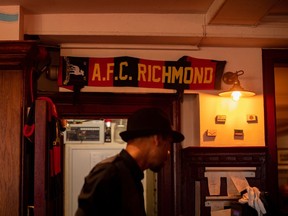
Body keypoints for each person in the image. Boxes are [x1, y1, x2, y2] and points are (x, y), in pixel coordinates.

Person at [75, 107, 185, 216]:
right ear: (157, 139)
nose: (169, 152)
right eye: (168, 144)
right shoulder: (109, 173)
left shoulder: (132, 176)